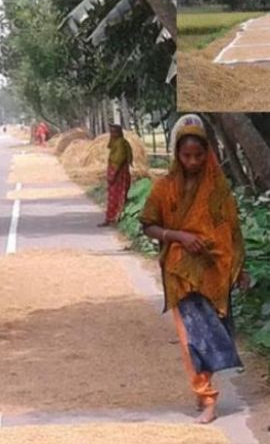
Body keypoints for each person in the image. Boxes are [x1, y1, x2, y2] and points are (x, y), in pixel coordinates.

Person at [140, 116, 249, 424]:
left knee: (213, 335)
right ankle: (207, 396)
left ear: (208, 153)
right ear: (177, 154)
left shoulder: (218, 189)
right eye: (186, 156)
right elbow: (149, 225)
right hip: (180, 274)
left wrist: (239, 268)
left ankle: (203, 386)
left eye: (198, 155)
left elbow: (232, 231)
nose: (192, 161)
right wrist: (179, 236)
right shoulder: (164, 188)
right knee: (191, 338)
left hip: (215, 274)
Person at [100, 124, 134, 227]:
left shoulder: (120, 144)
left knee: (118, 196)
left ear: (119, 133)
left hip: (119, 174)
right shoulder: (117, 143)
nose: (113, 134)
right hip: (116, 173)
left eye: (115, 132)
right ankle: (111, 217)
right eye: (111, 132)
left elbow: (119, 161)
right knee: (113, 196)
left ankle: (115, 218)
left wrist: (113, 175)